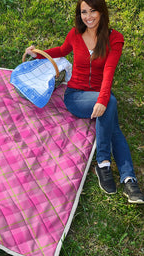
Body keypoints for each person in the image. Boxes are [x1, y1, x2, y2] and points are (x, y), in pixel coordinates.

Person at [25, 0, 144, 204]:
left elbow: (109, 71)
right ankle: (109, 166)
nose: (88, 16)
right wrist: (38, 55)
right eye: (84, 12)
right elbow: (62, 50)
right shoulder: (75, 34)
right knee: (111, 106)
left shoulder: (115, 39)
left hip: (98, 93)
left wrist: (102, 99)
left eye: (93, 11)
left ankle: (125, 177)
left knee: (111, 115)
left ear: (102, 11)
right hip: (75, 96)